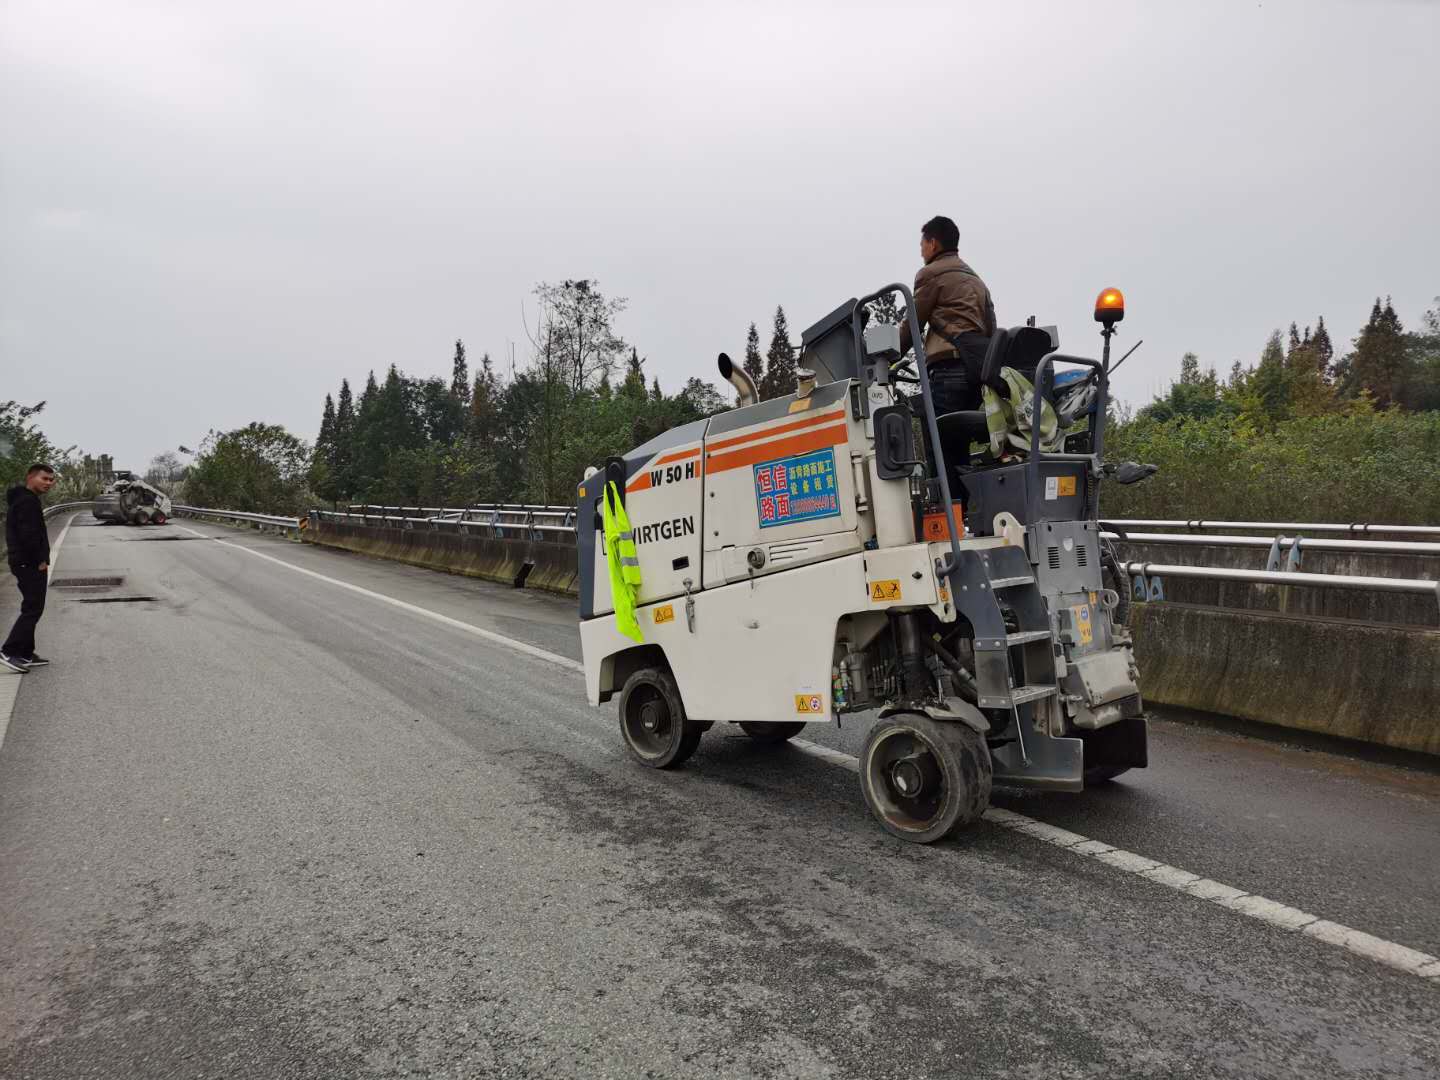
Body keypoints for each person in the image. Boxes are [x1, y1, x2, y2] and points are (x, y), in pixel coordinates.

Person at [897, 215, 997, 416]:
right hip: (976, 371)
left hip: (947, 370)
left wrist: (887, 355)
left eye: (922, 245)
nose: (921, 251)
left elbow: (913, 324)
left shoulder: (930, 274)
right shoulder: (977, 281)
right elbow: (991, 328)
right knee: (959, 435)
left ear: (933, 243)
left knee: (939, 438)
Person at [2, 463, 57, 672]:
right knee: (33, 608)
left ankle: (25, 653)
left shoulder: (24, 498)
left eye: (51, 480)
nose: (49, 483)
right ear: (30, 477)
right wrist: (40, 559)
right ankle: (9, 651)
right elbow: (29, 535)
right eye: (44, 479)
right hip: (29, 562)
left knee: (31, 606)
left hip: (24, 561)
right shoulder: (27, 501)